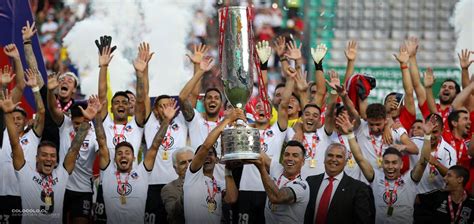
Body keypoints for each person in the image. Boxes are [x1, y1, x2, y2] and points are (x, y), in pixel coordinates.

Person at [3, 91, 96, 224]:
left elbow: (74, 149)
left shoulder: (62, 174)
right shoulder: (25, 173)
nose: (48, 159)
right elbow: (14, 143)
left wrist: (86, 121)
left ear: (57, 160)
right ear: (36, 158)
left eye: (52, 156)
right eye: (44, 155)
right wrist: (7, 113)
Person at [93, 95, 177, 224]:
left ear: (133, 158)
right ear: (114, 159)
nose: (123, 156)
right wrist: (97, 115)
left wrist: (166, 120)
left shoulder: (142, 173)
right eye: (119, 153)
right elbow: (102, 141)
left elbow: (155, 145)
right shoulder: (107, 173)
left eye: (127, 153)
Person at [337, 112, 433, 223]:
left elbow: (423, 161)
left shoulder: (410, 180)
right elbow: (359, 158)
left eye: (394, 163)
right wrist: (350, 134)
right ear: (382, 164)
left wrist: (427, 136)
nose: (390, 166)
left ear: (401, 164)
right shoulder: (376, 178)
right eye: (386, 162)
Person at [235, 64, 291, 224]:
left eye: (265, 106)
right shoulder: (245, 130)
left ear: (271, 111)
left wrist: (290, 79)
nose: (261, 108)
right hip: (246, 189)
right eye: (257, 106)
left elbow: (284, 104)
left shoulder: (278, 131)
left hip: (269, 189)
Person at [0, 67, 43, 224]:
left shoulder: (33, 136)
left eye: (20, 118)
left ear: (26, 121)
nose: (16, 120)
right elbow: (3, 106)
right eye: (13, 117)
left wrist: (35, 88)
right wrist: (3, 87)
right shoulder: (3, 133)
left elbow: (42, 112)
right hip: (2, 194)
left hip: (24, 195)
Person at [183, 108, 241, 224]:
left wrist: (228, 170)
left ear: (217, 159)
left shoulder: (219, 184)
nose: (207, 157)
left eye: (211, 154)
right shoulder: (192, 175)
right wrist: (227, 120)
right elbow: (205, 147)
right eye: (204, 155)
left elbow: (232, 199)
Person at [144, 95, 189, 224]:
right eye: (161, 106)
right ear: (155, 110)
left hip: (177, 184)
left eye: (169, 105)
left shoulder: (181, 120)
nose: (166, 109)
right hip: (153, 184)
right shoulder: (150, 122)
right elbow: (144, 96)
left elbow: (189, 96)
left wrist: (198, 73)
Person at [304, 143, 375, 224]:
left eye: (339, 156)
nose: (334, 159)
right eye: (330, 155)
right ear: (324, 159)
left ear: (345, 162)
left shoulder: (358, 188)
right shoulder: (310, 182)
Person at [251, 140, 309, 224]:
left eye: (295, 156)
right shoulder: (277, 168)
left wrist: (261, 169)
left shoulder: (302, 186)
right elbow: (259, 152)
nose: (290, 158)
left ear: (303, 161)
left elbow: (277, 198)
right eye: (287, 154)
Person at [161, 147, 194, 224]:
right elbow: (172, 214)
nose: (188, 165)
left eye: (191, 161)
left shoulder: (207, 183)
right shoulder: (169, 189)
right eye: (183, 163)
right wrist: (186, 191)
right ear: (175, 168)